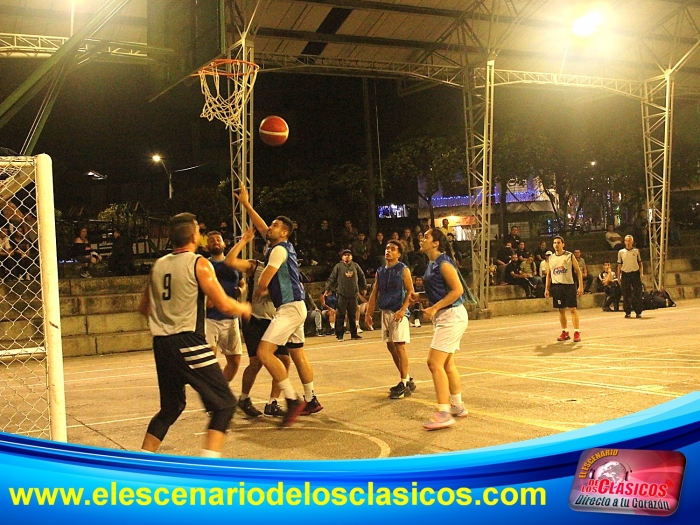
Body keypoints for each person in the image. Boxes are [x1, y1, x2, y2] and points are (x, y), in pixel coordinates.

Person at [137, 212, 252, 457]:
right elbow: (224, 304)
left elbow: (144, 308)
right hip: (188, 340)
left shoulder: (158, 266)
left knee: (171, 408)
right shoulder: (198, 263)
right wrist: (244, 307)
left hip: (162, 343)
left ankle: (141, 463)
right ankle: (207, 469)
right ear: (193, 236)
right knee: (225, 405)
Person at [234, 186, 322, 425]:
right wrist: (247, 204)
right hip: (296, 306)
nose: (268, 228)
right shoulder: (280, 246)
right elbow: (261, 227)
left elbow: (264, 280)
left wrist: (254, 299)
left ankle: (292, 400)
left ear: (283, 231)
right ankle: (310, 398)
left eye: (274, 225)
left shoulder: (278, 250)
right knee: (297, 354)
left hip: (290, 308)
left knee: (264, 353)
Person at [224, 228, 293, 419]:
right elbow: (229, 261)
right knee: (255, 363)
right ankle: (244, 398)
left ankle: (273, 402)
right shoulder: (256, 266)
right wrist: (244, 241)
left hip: (276, 320)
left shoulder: (285, 269)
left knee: (285, 360)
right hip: (255, 319)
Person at [417, 228, 470, 431]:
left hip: (451, 315)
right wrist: (420, 297)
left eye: (426, 237)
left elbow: (458, 290)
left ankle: (443, 413)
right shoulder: (431, 263)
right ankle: (457, 405)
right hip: (446, 315)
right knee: (447, 363)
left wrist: (434, 307)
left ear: (436, 243)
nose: (422, 239)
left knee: (433, 363)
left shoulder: (444, 263)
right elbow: (440, 291)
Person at [365, 240, 417, 400]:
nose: (389, 251)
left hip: (398, 312)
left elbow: (411, 292)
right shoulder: (380, 271)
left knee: (400, 347)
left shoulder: (403, 270)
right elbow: (375, 292)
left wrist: (403, 310)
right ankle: (406, 378)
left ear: (399, 254)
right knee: (390, 346)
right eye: (387, 248)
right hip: (386, 311)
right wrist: (368, 312)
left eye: (393, 249)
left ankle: (403, 383)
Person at [205, 230, 244, 383]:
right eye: (212, 240)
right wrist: (206, 297)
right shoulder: (204, 264)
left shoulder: (232, 263)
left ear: (224, 243)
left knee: (234, 362)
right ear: (207, 245)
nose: (215, 242)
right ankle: (213, 393)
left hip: (231, 318)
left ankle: (220, 391)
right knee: (209, 362)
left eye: (218, 239)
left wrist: (241, 290)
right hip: (210, 319)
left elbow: (242, 281)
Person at [544, 236, 584, 343]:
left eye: (558, 242)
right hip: (557, 286)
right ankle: (564, 331)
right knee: (561, 310)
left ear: (563, 244)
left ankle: (576, 331)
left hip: (569, 285)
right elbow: (548, 274)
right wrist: (547, 289)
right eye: (554, 243)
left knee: (572, 309)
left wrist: (580, 286)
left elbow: (578, 271)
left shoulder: (569, 256)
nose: (556, 245)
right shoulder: (551, 258)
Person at [325, 249, 367, 342]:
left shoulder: (355, 266)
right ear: (342, 257)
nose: (347, 256)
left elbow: (362, 276)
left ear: (351, 256)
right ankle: (339, 335)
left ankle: (354, 334)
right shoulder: (338, 266)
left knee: (352, 315)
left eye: (348, 255)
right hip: (342, 294)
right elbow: (332, 278)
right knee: (340, 315)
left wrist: (364, 287)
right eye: (345, 255)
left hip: (353, 294)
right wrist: (327, 289)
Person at [617, 235, 644, 319]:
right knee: (626, 294)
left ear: (632, 242)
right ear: (624, 242)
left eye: (629, 241)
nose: (628, 242)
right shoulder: (621, 252)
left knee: (637, 293)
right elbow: (619, 265)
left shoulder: (636, 251)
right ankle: (627, 311)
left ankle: (638, 311)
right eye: (626, 241)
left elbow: (640, 263)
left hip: (635, 273)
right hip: (625, 273)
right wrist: (618, 276)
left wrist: (641, 273)